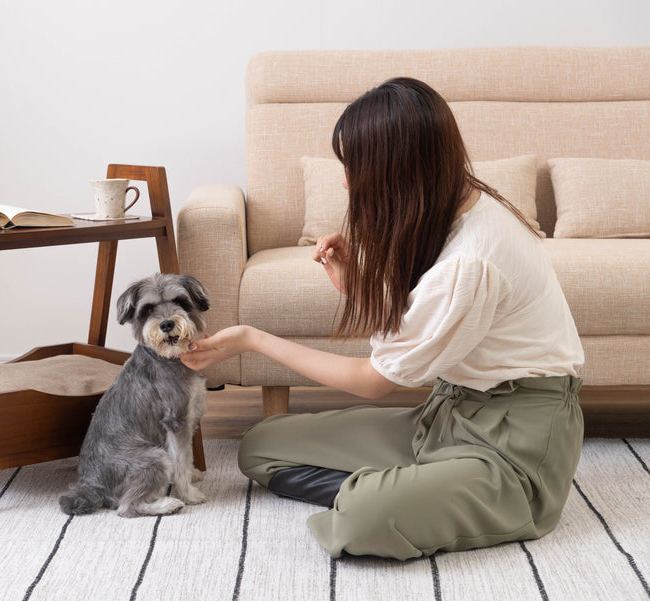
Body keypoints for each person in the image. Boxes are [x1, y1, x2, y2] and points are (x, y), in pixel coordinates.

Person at [180, 77, 584, 561]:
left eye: (355, 166)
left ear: (399, 169)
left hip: (510, 450)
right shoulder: (450, 213)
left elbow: (372, 381)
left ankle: (400, 496)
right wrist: (355, 280)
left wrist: (252, 339)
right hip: (447, 416)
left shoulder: (471, 260)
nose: (348, 181)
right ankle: (413, 489)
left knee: (360, 518)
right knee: (261, 446)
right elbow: (421, 324)